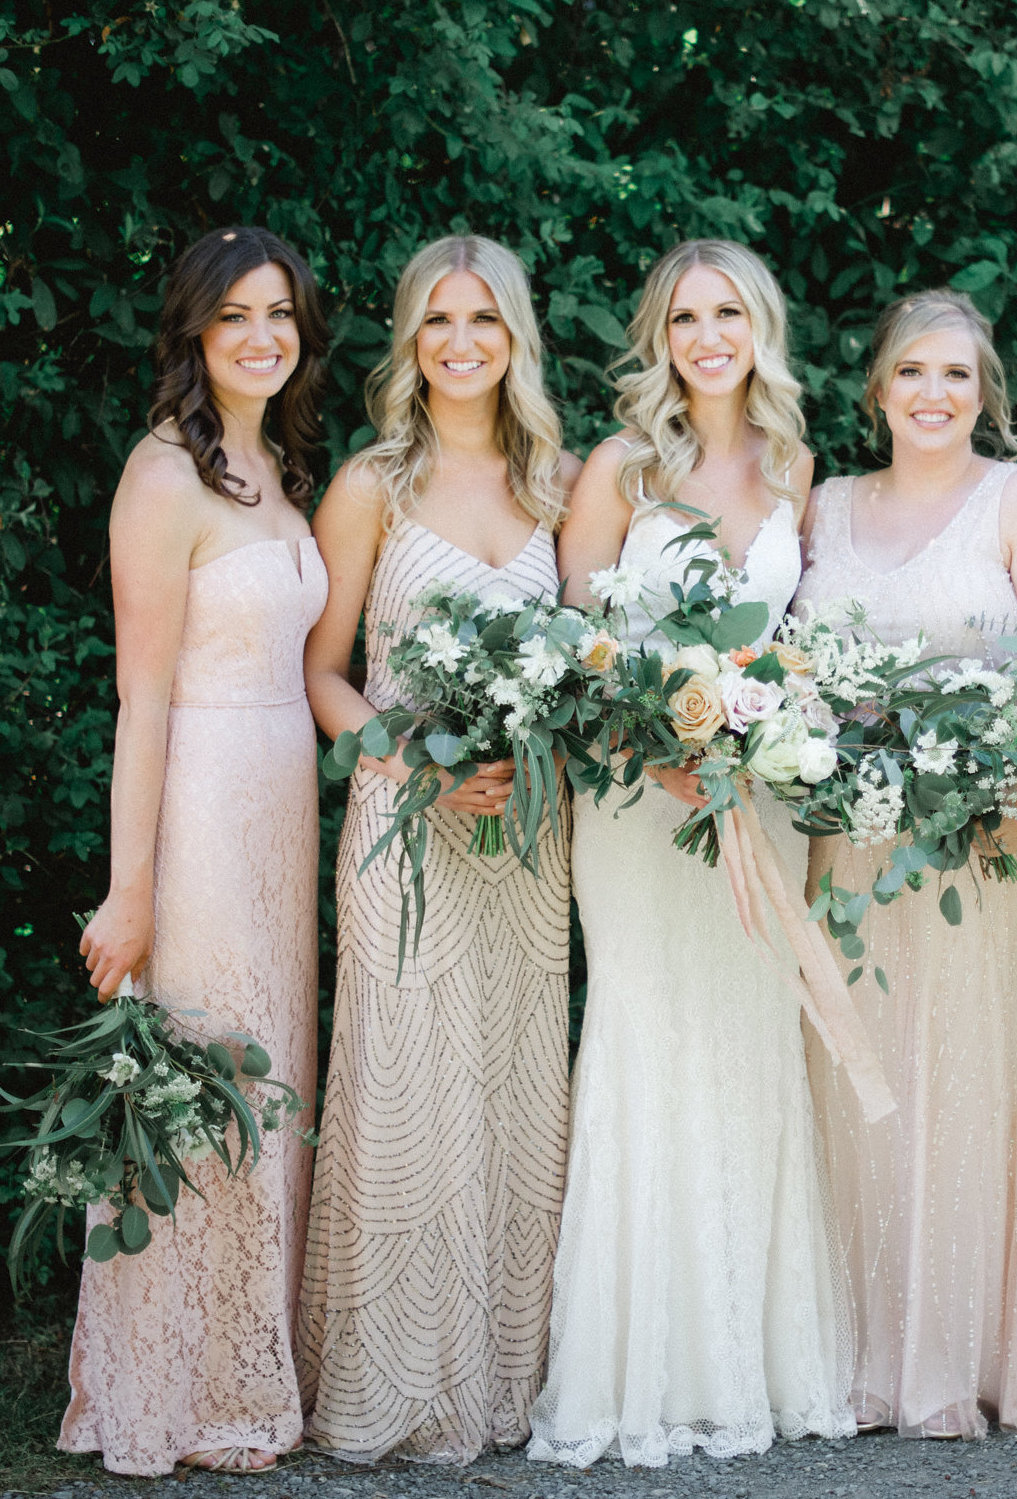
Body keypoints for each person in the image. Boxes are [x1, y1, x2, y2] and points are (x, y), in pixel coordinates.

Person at [525, 239, 852, 1469]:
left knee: (750, 1035)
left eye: (728, 314)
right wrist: (646, 739)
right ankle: (635, 1366)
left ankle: (751, 1359)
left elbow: (799, 640)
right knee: (647, 1028)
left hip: (758, 798)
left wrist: (771, 723)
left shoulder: (796, 467)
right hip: (636, 796)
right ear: (658, 337)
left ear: (761, 329)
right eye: (684, 317)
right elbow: (572, 635)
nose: (708, 337)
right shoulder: (621, 465)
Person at [297, 235, 581, 1464]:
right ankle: (394, 1383)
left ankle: (503, 1379)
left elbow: (591, 661)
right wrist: (413, 762)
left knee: (514, 1081)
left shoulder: (559, 482)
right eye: (437, 320)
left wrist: (536, 751)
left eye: (484, 321)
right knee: (406, 1085)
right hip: (403, 826)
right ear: (409, 338)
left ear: (516, 337)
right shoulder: (372, 483)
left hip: (523, 828)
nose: (461, 343)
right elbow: (322, 671)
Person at [793, 288, 1017, 1440]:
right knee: (849, 1071)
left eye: (957, 373)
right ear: (877, 387)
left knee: (962, 1079)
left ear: (984, 392)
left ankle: (957, 1354)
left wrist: (990, 759)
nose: (933, 392)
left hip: (981, 841)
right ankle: (852, 1351)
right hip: (847, 840)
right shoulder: (822, 504)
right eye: (912, 370)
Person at [65, 226, 331, 1475]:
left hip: (284, 809)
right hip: (205, 816)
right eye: (235, 316)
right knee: (210, 1074)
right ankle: (170, 1388)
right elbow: (143, 697)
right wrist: (132, 888)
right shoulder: (164, 473)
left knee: (270, 1079)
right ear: (194, 331)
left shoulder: (274, 460)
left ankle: (247, 1365)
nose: (261, 336)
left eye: (278, 313)